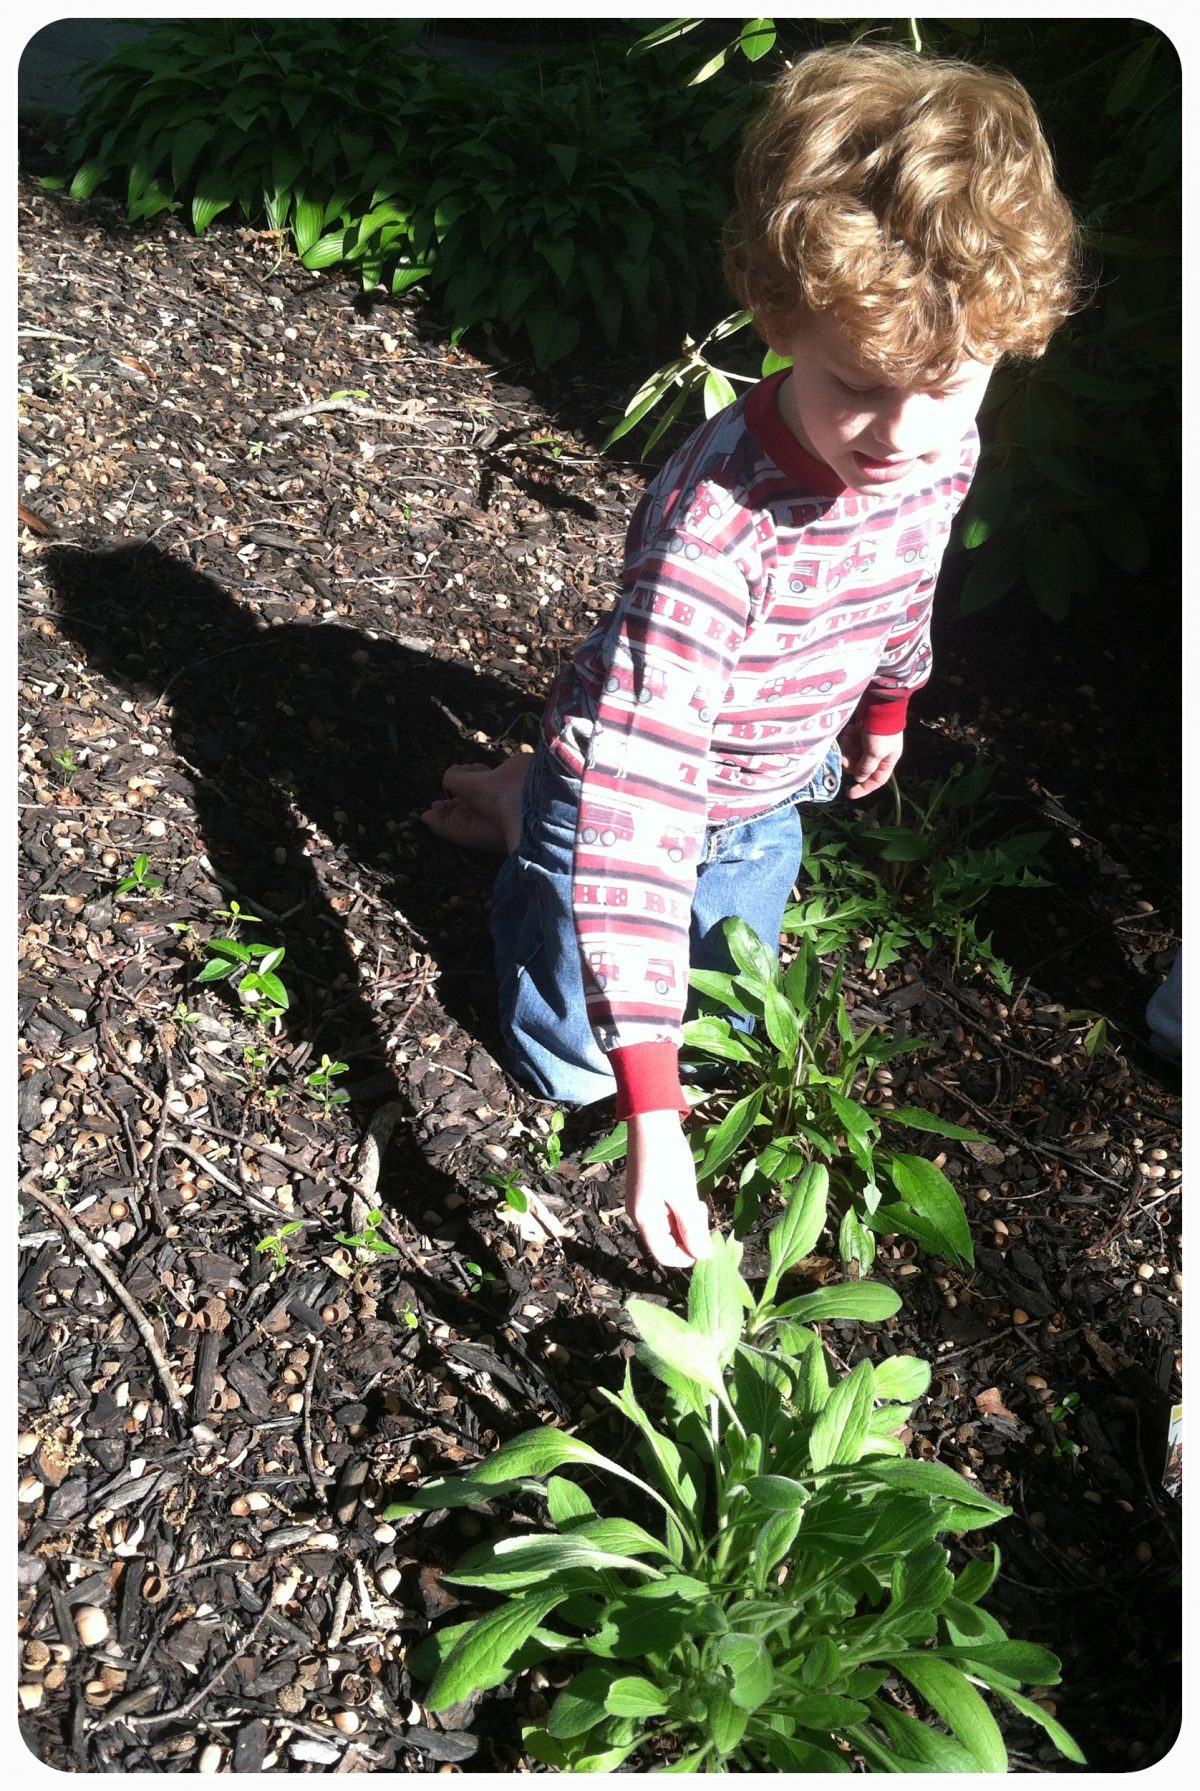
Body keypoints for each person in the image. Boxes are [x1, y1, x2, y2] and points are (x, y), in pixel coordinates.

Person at [423, 42, 1080, 1269]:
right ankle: (534, 833)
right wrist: (654, 1127)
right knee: (574, 1066)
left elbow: (905, 577)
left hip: (765, 790)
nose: (901, 435)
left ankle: (527, 798)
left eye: (948, 389)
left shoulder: (936, 444)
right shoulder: (715, 534)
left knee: (721, 1010)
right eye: (855, 386)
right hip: (631, 790)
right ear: (781, 321)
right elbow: (638, 801)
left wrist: (888, 701)